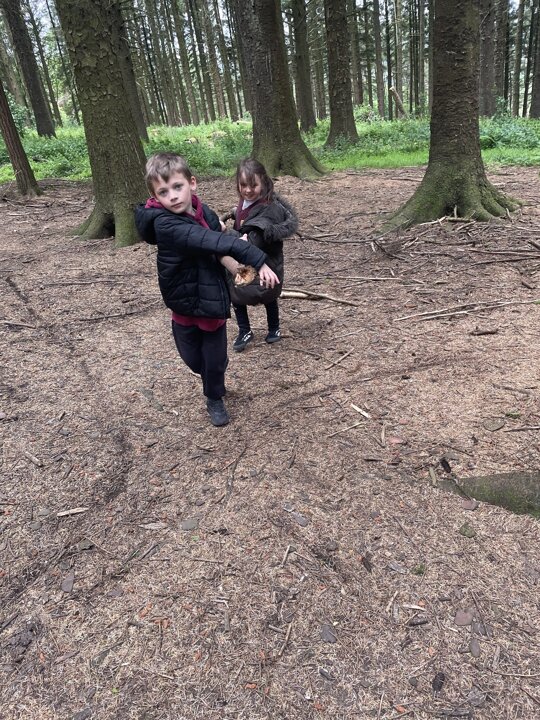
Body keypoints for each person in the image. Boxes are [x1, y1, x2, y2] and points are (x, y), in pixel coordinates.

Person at [135, 152, 279, 427]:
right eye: (163, 192)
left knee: (213, 362)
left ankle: (214, 396)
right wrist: (258, 260)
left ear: (192, 183)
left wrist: (238, 267)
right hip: (183, 302)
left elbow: (218, 246)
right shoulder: (165, 223)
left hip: (211, 298)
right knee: (193, 360)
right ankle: (213, 373)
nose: (173, 196)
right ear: (155, 196)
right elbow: (209, 240)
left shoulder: (205, 213)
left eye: (177, 187)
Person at [222, 158, 298, 352]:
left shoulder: (270, 208)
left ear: (263, 182)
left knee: (268, 294)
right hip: (245, 258)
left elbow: (252, 239)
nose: (248, 190)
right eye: (243, 185)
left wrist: (225, 233)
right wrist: (236, 213)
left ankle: (274, 327)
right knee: (236, 293)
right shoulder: (248, 200)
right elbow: (247, 213)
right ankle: (244, 330)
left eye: (253, 185)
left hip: (266, 259)